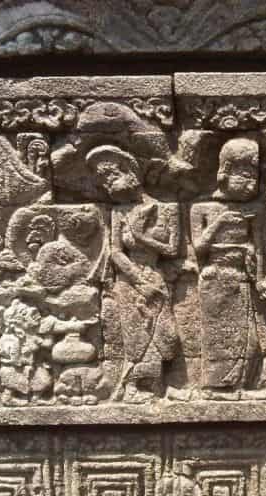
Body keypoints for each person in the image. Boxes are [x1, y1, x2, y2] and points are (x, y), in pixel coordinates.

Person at [87, 145, 180, 402]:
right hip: (129, 281)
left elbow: (172, 249)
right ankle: (133, 388)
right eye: (103, 180)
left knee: (165, 334)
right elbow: (116, 252)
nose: (107, 184)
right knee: (136, 337)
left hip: (155, 274)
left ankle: (158, 384)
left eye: (111, 175)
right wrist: (139, 282)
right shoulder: (118, 212)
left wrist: (141, 236)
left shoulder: (167, 209)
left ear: (129, 171)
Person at [190, 138, 263, 397]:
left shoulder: (252, 210)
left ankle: (240, 385)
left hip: (241, 278)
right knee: (218, 336)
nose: (251, 183)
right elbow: (199, 247)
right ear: (225, 171)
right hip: (214, 278)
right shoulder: (201, 208)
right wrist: (220, 222)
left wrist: (257, 273)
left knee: (250, 340)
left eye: (254, 176)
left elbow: (258, 249)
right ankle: (214, 387)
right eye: (244, 175)